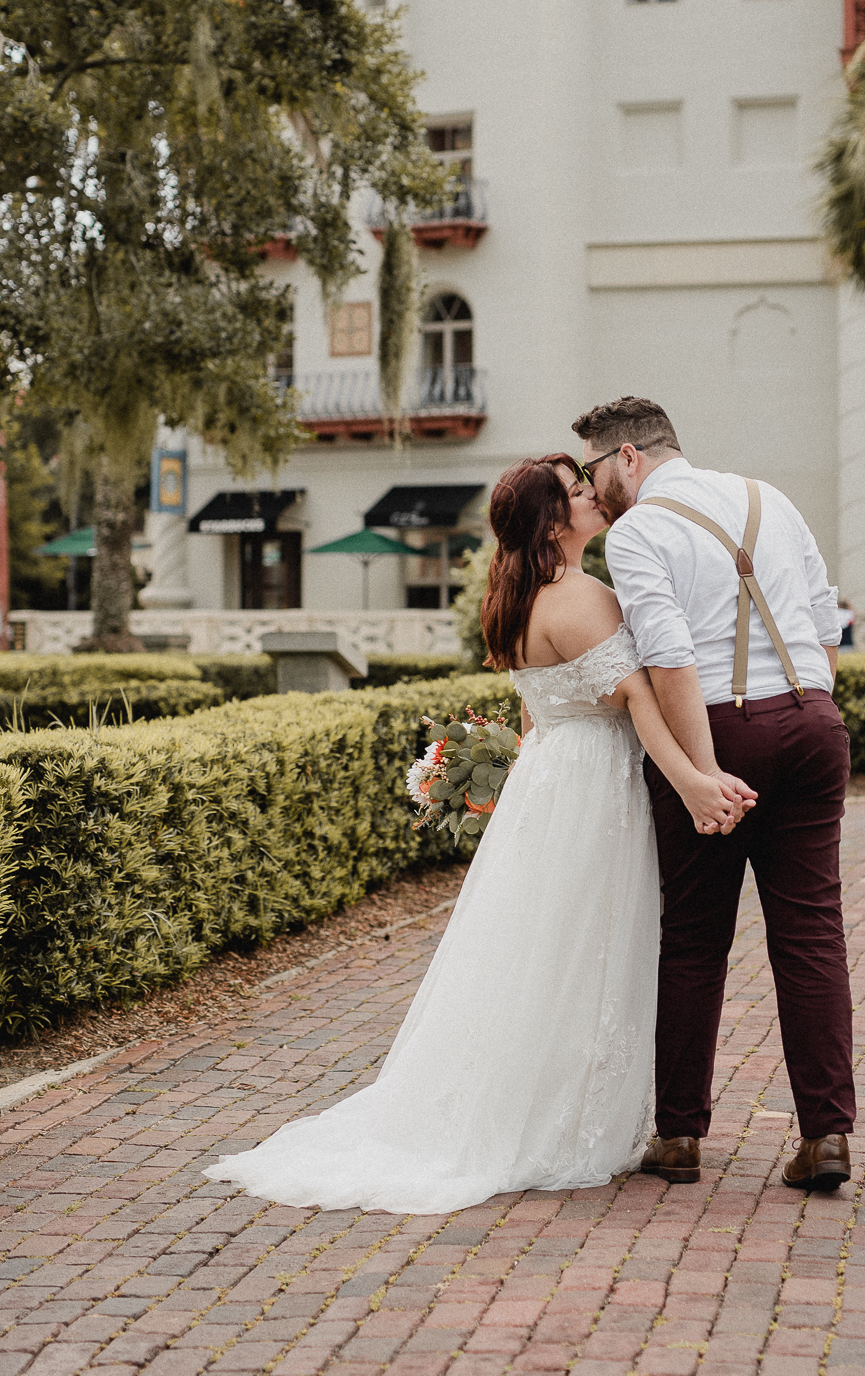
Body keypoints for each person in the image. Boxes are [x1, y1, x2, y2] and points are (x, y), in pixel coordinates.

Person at [204, 454, 755, 1216]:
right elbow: (637, 703)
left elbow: (537, 713)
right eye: (574, 492)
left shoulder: (518, 600)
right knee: (586, 948)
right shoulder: (584, 596)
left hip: (550, 779)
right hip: (593, 786)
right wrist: (696, 781)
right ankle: (561, 1115)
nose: (592, 495)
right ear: (552, 522)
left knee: (543, 949)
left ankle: (537, 1092)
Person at [572, 395, 856, 1194]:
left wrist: (704, 782)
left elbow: (670, 660)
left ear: (629, 457)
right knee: (811, 933)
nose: (595, 493)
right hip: (811, 721)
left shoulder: (638, 533)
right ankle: (827, 1135)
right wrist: (806, 706)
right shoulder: (770, 498)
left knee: (694, 938)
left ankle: (681, 1136)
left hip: (719, 730)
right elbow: (826, 624)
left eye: (597, 471)